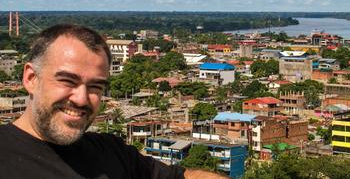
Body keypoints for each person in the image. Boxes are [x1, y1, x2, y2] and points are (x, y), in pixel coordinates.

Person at [0, 24, 226, 179]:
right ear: (31, 78)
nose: (81, 98)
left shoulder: (112, 153)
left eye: (95, 86)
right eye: (67, 81)